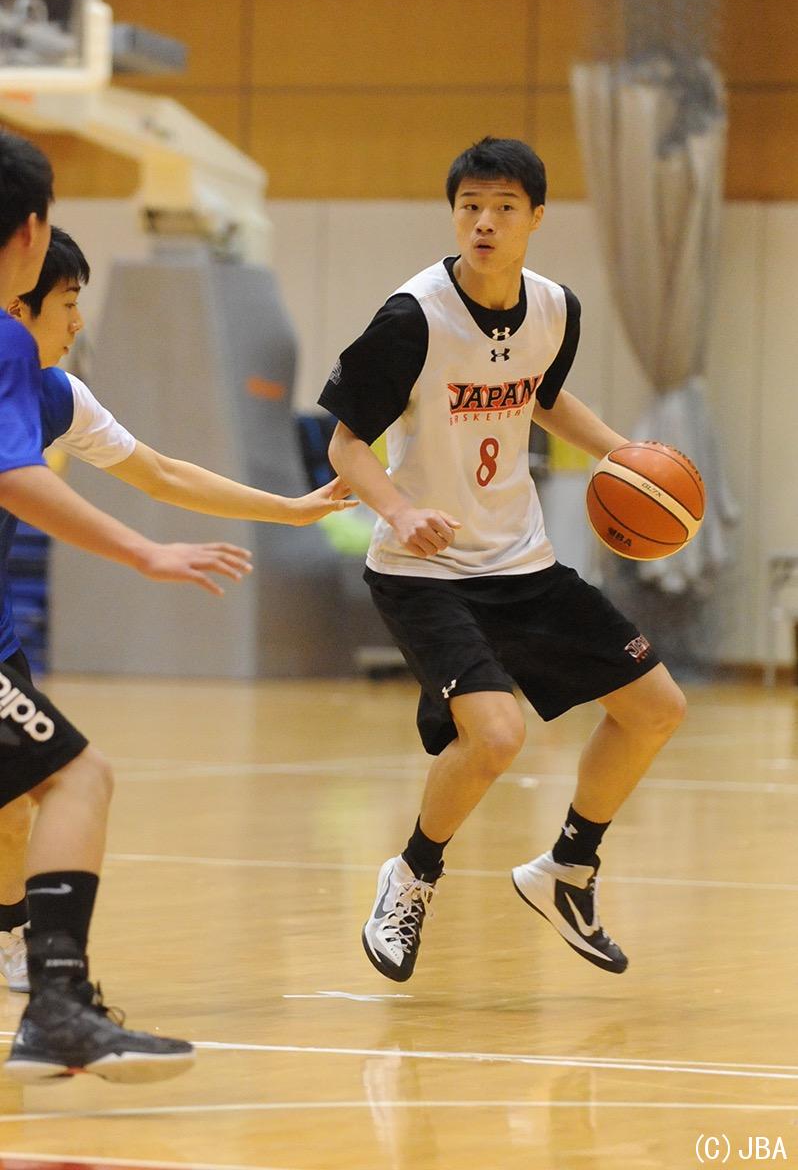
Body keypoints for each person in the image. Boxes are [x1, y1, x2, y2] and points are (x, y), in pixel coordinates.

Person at [318, 136, 686, 984]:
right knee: (496, 735)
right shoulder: (412, 318)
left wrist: (627, 458)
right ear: (454, 214)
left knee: (656, 708)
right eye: (470, 206)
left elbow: (542, 396)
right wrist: (400, 511)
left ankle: (568, 868)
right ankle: (411, 877)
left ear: (537, 218)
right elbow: (345, 444)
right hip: (424, 572)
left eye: (504, 208)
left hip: (522, 563)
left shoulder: (555, 308)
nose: (484, 222)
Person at [0, 225, 356, 998]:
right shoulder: (6, 364)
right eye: (68, 302)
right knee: (71, 778)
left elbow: (161, 472)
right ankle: (53, 983)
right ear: (20, 302)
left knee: (19, 805)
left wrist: (289, 509)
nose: (79, 321)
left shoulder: (56, 395)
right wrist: (142, 553)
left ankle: (14, 941)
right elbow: (20, 484)